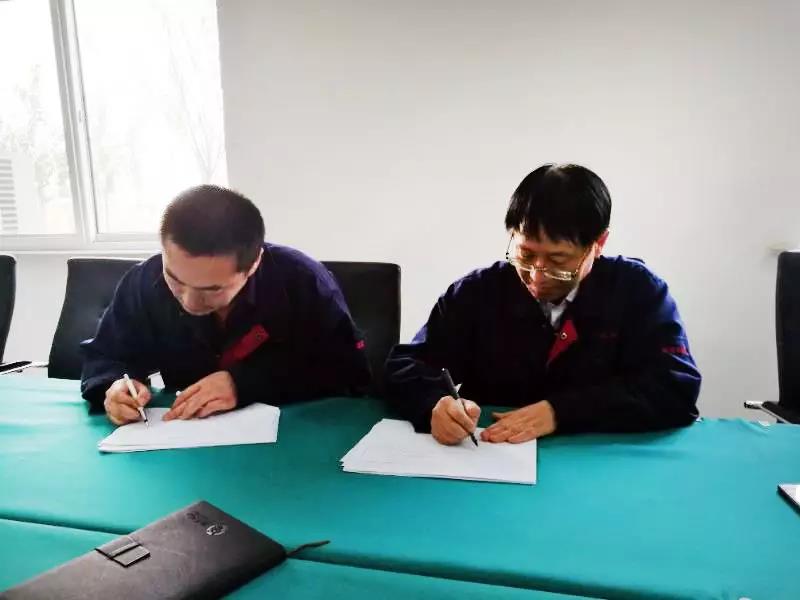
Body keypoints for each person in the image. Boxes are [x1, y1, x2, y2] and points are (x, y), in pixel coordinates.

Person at [385, 163, 701, 445]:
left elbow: (675, 389)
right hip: (492, 459)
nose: (537, 276)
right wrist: (433, 404)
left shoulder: (638, 291)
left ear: (598, 244)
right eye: (525, 254)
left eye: (558, 260)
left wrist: (560, 412)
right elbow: (406, 365)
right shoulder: (478, 291)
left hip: (597, 460)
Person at [81, 184, 370, 425]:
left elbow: (348, 373)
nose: (189, 301)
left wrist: (244, 384)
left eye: (212, 289)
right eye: (175, 280)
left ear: (253, 264)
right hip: (183, 448)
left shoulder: (303, 282)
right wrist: (114, 386)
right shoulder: (144, 281)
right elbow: (105, 355)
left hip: (292, 442)